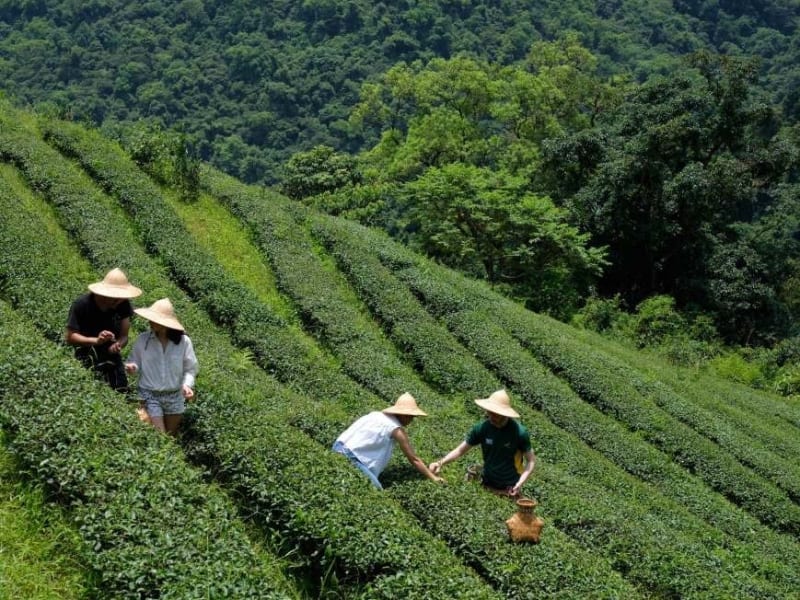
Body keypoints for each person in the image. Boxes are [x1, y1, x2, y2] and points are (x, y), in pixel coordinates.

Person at [430, 389, 535, 497]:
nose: (491, 416)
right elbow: (460, 450)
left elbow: (531, 461)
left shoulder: (519, 433)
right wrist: (440, 463)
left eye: (495, 414)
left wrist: (519, 483)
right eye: (489, 412)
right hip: (487, 481)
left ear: (504, 414)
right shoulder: (483, 428)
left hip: (509, 485)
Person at [332, 393, 445, 489]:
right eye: (411, 417)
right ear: (404, 415)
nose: (411, 420)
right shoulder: (396, 429)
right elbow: (414, 459)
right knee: (377, 492)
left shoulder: (375, 414)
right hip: (354, 458)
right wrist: (433, 478)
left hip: (338, 447)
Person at [124, 298, 198, 436]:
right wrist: (132, 367)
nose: (150, 322)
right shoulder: (143, 340)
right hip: (149, 394)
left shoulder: (184, 342)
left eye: (155, 320)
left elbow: (190, 369)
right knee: (160, 435)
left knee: (170, 437)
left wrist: (187, 385)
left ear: (165, 324)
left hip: (174, 395)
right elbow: (134, 361)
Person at [66, 268, 142, 392]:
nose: (119, 300)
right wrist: (96, 341)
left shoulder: (123, 305)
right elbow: (70, 336)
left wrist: (118, 345)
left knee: (121, 390)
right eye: (115, 297)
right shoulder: (82, 304)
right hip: (86, 354)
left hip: (111, 357)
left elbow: (124, 336)